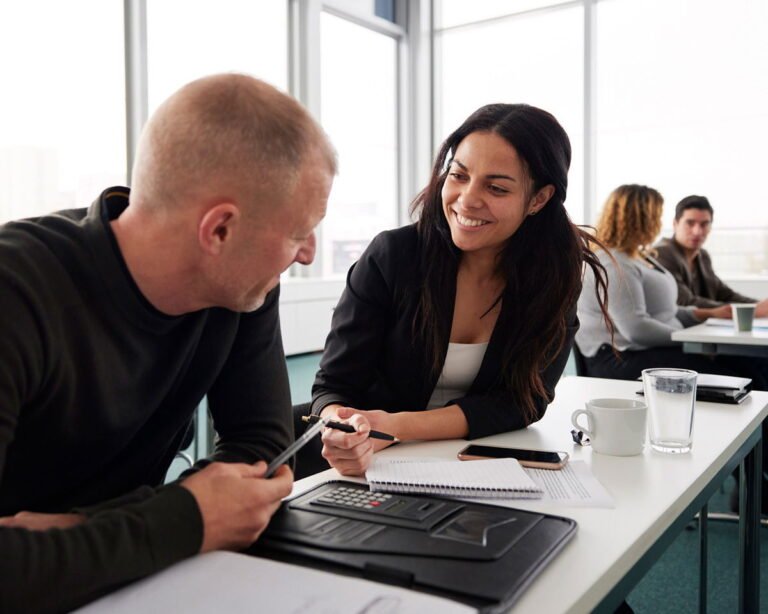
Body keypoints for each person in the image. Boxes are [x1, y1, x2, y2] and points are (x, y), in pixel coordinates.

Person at [0, 74, 336, 612]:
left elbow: (261, 453)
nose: (307, 256)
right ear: (219, 230)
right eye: (299, 233)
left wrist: (92, 528)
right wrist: (187, 517)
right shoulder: (17, 292)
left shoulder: (240, 287)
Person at [303, 103, 611, 477]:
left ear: (538, 199)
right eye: (459, 175)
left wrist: (397, 426)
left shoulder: (553, 277)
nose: (467, 199)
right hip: (371, 466)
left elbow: (524, 401)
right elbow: (333, 387)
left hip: (477, 468)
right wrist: (344, 426)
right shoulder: (393, 257)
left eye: (496, 187)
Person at [576, 184, 767, 385]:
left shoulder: (640, 257)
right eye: (656, 217)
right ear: (641, 219)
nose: (659, 223)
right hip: (622, 358)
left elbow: (668, 311)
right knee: (742, 378)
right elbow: (637, 328)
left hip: (651, 350)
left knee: (756, 365)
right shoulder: (614, 262)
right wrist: (689, 339)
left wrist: (704, 314)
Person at [654, 194, 768, 316]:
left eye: (704, 224)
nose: (697, 231)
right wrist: (748, 310)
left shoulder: (702, 256)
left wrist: (759, 305)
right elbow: (685, 301)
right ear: (675, 224)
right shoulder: (662, 253)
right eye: (690, 223)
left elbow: (724, 293)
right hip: (675, 329)